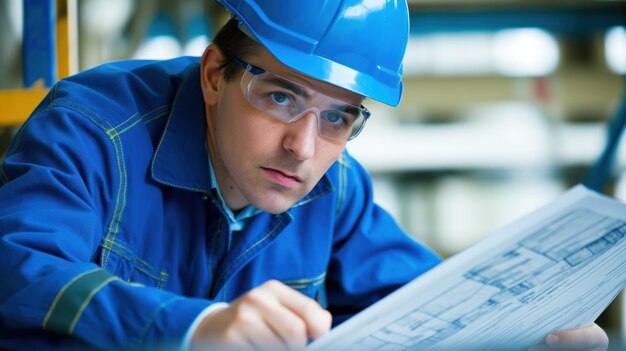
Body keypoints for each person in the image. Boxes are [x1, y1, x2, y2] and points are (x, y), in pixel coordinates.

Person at [0, 0, 611, 350]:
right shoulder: (94, 130)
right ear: (215, 74)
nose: (303, 149)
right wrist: (193, 330)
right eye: (282, 98)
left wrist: (526, 335)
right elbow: (16, 268)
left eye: (339, 118)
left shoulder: (336, 191)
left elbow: (435, 307)